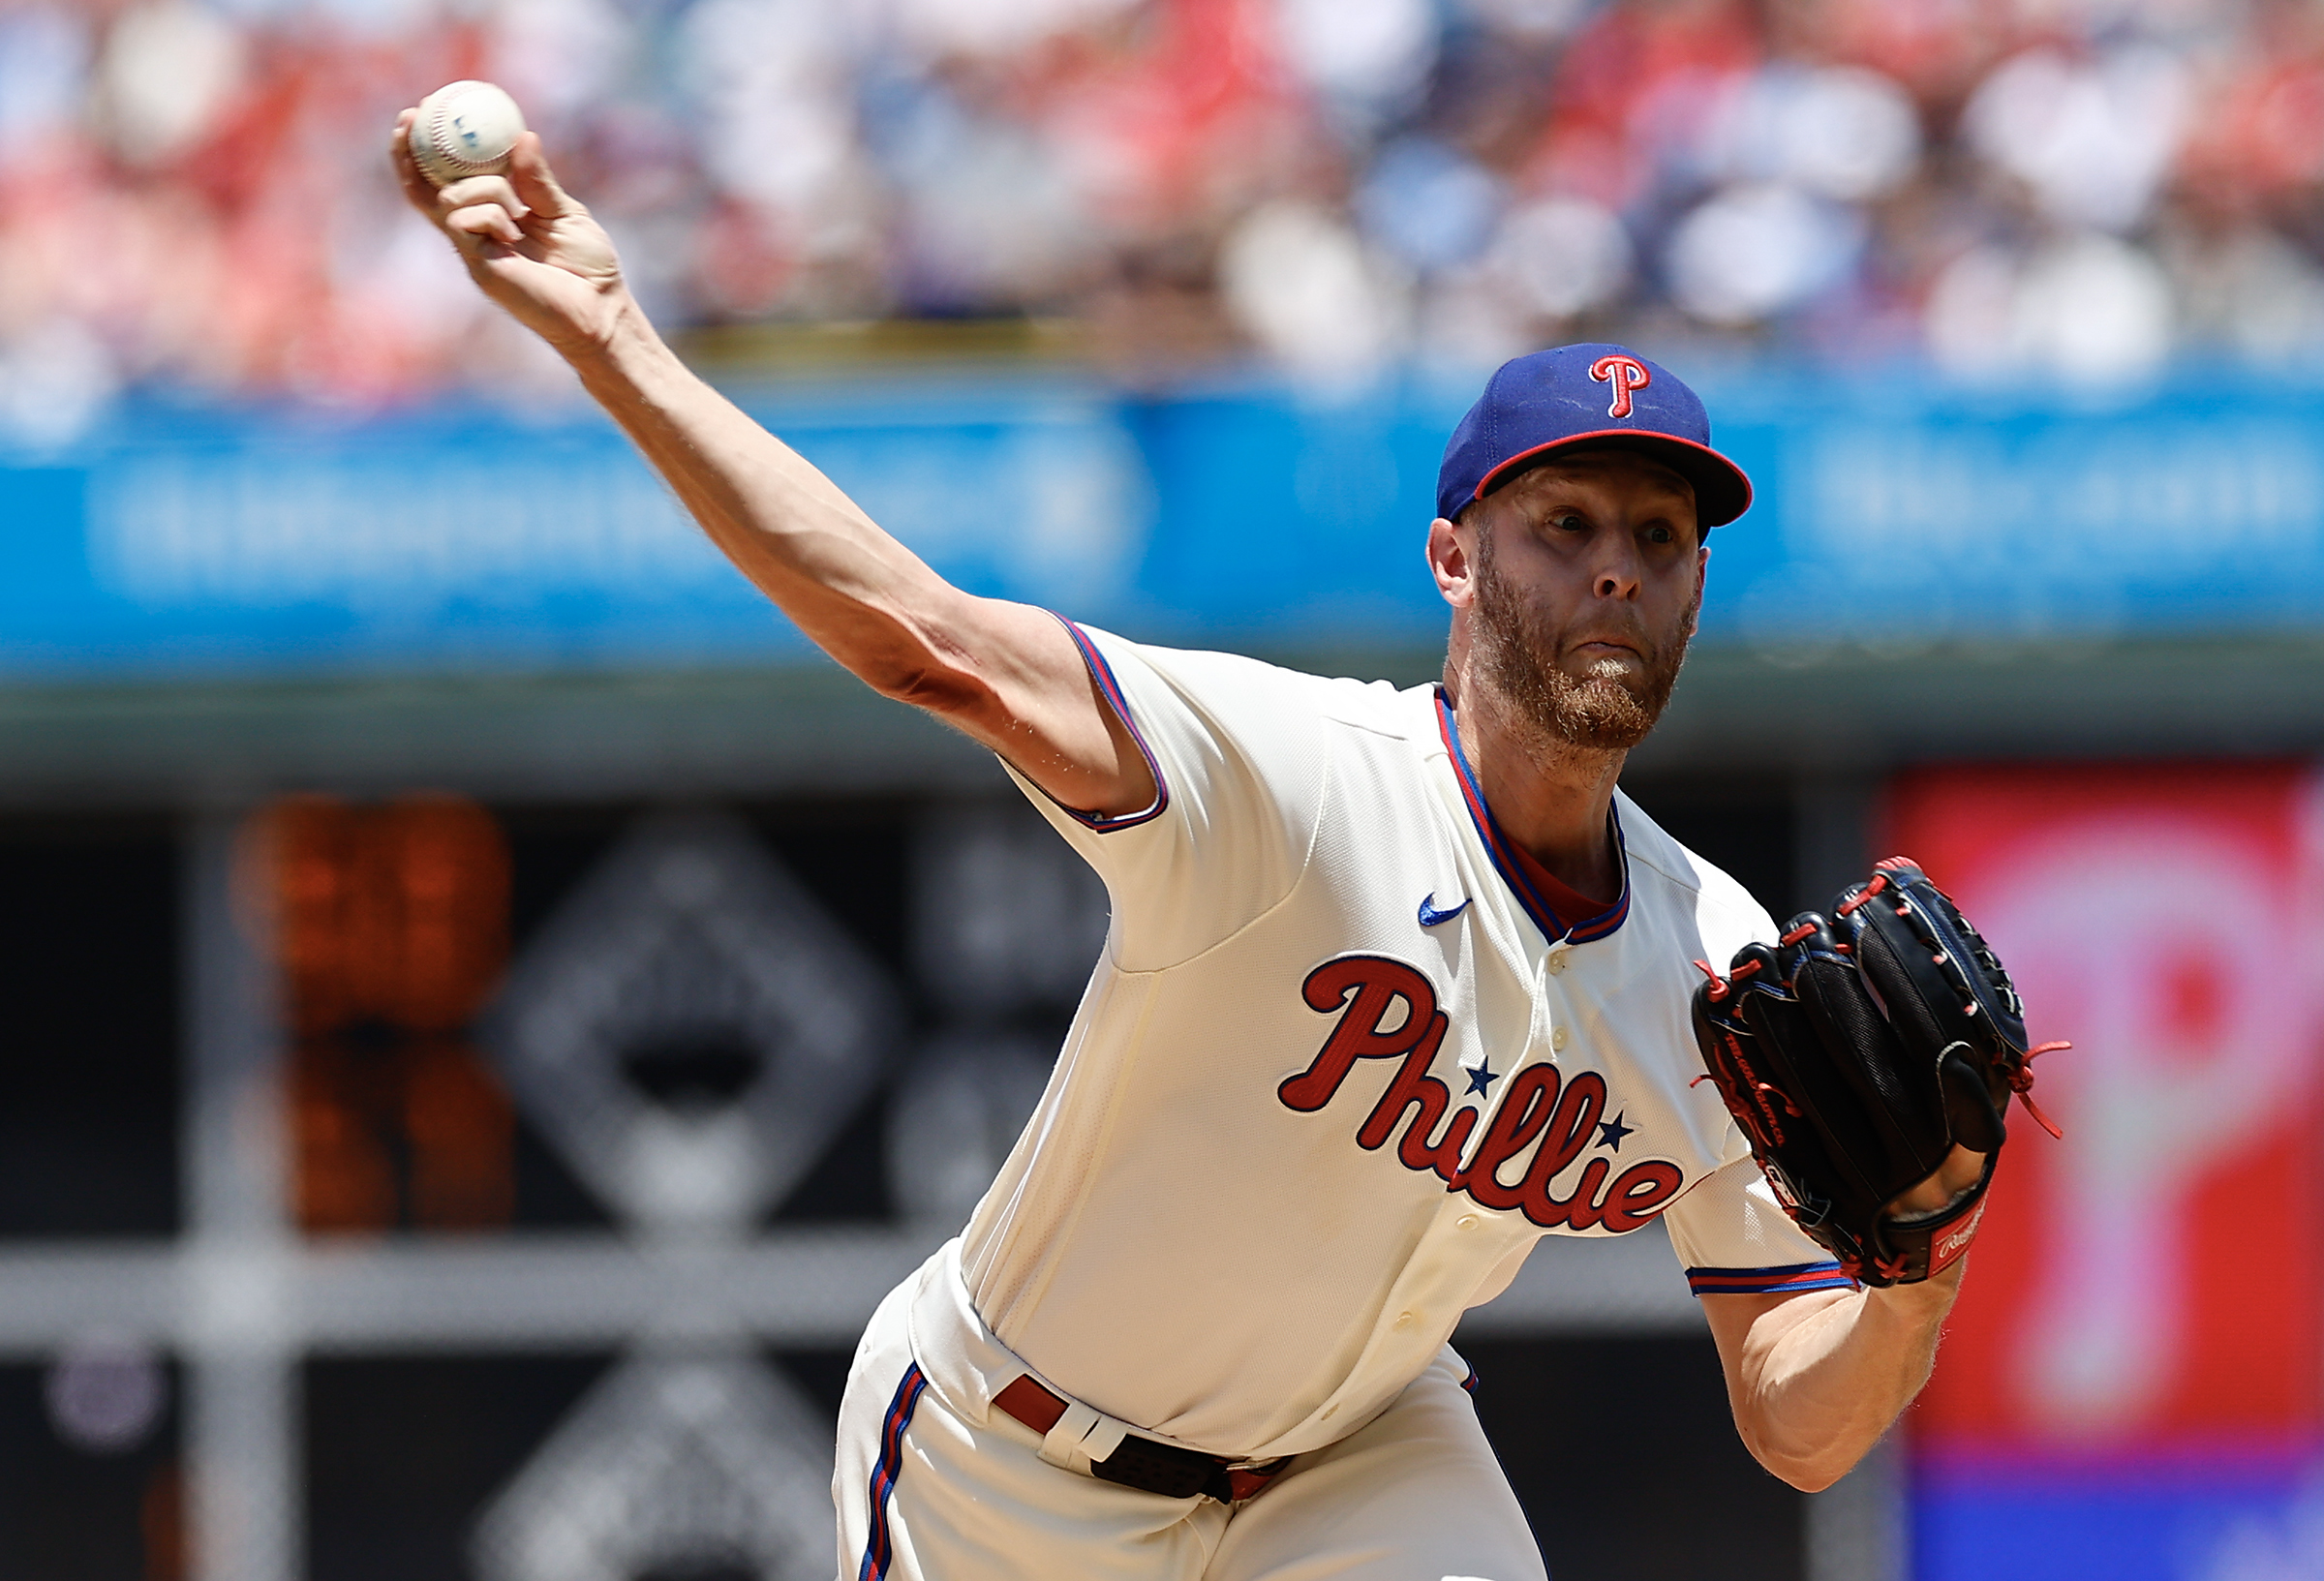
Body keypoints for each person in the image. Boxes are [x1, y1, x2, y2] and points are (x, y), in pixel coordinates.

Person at [393, 114, 1986, 1581]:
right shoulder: (1290, 777)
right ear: (1453, 558)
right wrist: (612, 341)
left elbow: (1799, 1422)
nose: (1617, 572)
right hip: (1004, 1458)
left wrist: (1922, 1255)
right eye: (1564, 525)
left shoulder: (1713, 963)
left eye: (1660, 537)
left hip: (1354, 1465)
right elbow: (924, 639)